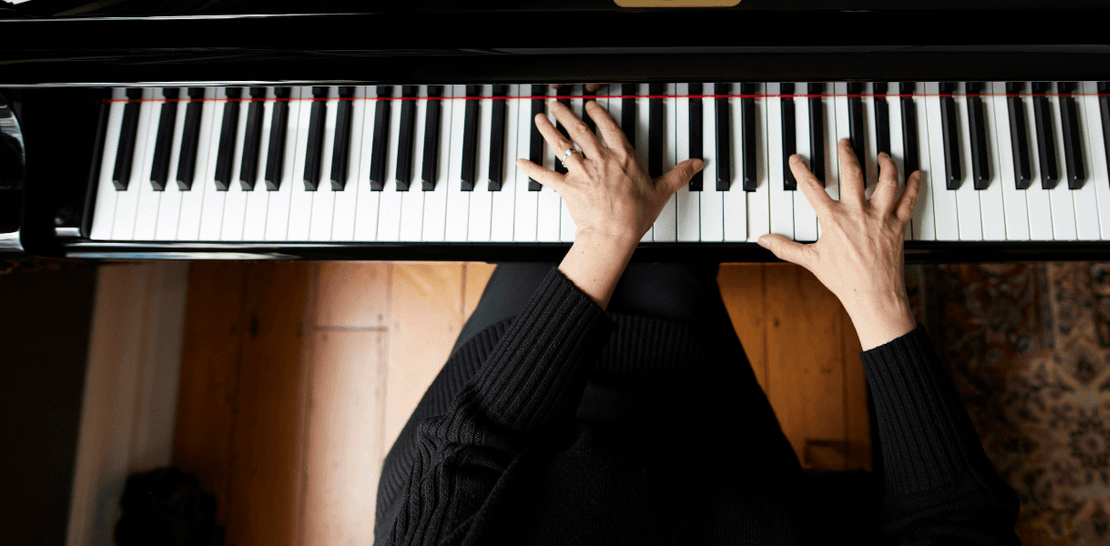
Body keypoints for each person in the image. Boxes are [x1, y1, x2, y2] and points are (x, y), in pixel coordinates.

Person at [375, 98, 1020, 546]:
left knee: (553, 218)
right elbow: (959, 529)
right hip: (705, 433)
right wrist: (879, 297)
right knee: (683, 223)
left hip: (486, 443)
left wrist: (604, 238)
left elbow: (469, 448)